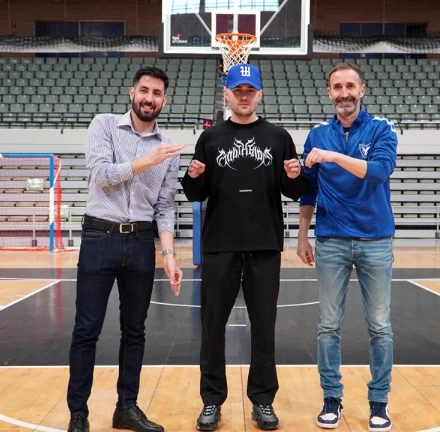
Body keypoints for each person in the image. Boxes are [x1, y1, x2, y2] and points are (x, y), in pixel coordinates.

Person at [181, 63, 308, 431]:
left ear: (259, 94)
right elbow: (196, 193)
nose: (244, 96)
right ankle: (211, 401)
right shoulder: (210, 138)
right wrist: (191, 177)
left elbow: (293, 191)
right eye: (238, 90)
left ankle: (263, 400)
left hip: (264, 244)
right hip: (219, 245)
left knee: (264, 327)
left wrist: (296, 176)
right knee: (212, 327)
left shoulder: (278, 137)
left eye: (250, 91)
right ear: (227, 94)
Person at [66, 65, 184, 432]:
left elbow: (165, 206)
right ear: (132, 92)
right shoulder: (103, 125)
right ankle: (78, 413)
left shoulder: (169, 149)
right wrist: (150, 160)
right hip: (99, 236)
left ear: (164, 100)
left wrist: (169, 255)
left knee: (135, 330)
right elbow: (102, 175)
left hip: (140, 242)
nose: (150, 98)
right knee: (87, 329)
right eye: (144, 91)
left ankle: (127, 408)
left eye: (157, 93)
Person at [297, 62, 398, 432]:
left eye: (350, 86)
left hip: (375, 240)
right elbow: (308, 189)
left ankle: (379, 402)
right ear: (329, 93)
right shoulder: (317, 134)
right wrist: (302, 235)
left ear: (362, 90)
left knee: (380, 326)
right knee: (328, 325)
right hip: (331, 241)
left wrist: (333, 157)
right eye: (337, 87)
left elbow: (379, 171)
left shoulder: (382, 129)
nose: (344, 93)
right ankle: (331, 398)